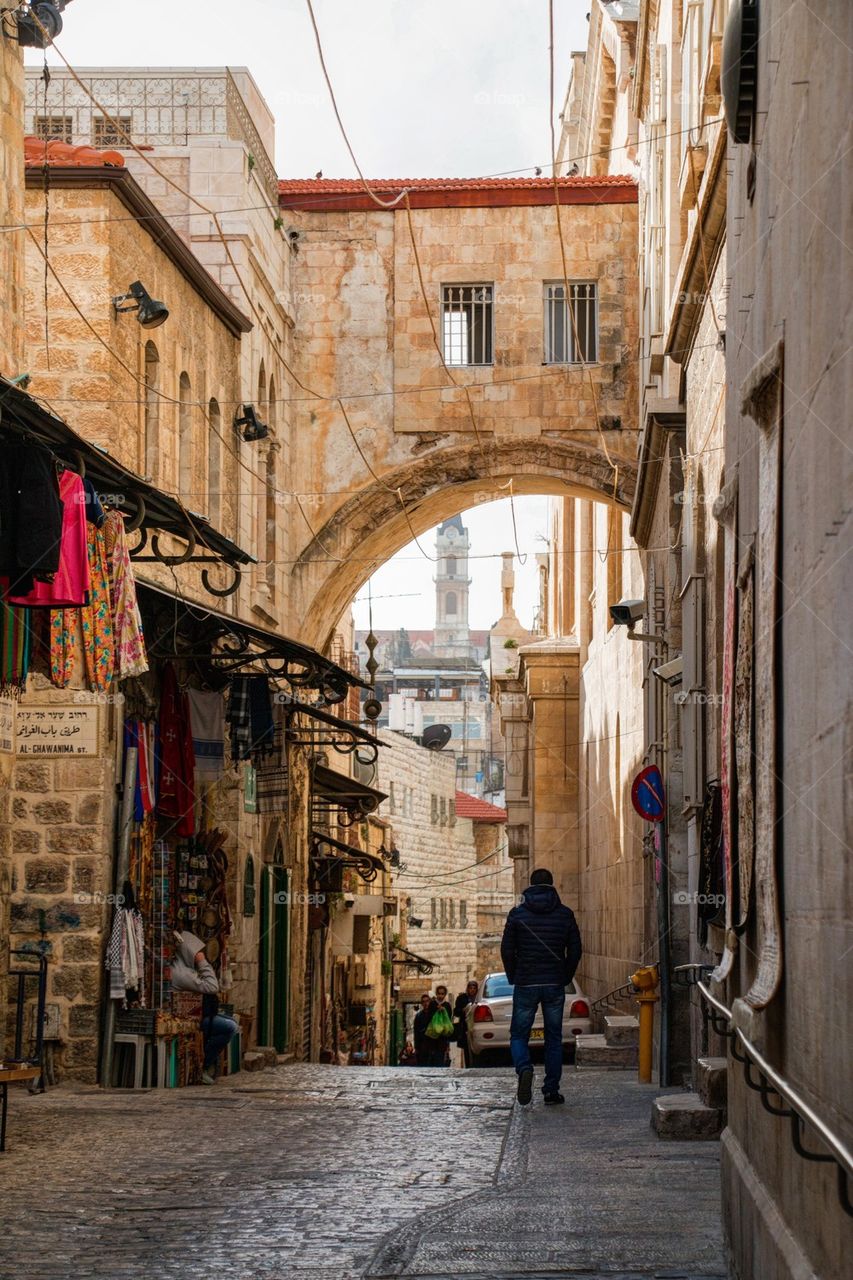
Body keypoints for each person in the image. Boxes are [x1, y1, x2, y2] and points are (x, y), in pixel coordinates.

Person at [500, 868, 582, 1106]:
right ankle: (551, 1090)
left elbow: (506, 949)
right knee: (554, 1038)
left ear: (531, 886)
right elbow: (575, 950)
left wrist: (514, 974)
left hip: (526, 981)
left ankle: (524, 1068)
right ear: (552, 885)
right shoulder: (565, 915)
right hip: (554, 983)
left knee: (518, 1034)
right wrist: (565, 975)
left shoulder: (517, 914)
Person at [171, 930, 238, 1085]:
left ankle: (209, 1065)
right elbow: (212, 986)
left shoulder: (184, 967)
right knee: (229, 1026)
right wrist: (201, 961)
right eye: (196, 952)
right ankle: (203, 1065)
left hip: (197, 1014)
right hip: (188, 1018)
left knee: (230, 1020)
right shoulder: (181, 973)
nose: (200, 954)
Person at [421, 985, 454, 1067]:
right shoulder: (432, 1004)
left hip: (442, 1036)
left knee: (440, 1054)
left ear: (445, 994)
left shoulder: (447, 1005)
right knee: (432, 1054)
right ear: (436, 994)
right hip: (433, 1035)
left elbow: (449, 1018)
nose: (440, 996)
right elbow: (429, 1017)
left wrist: (443, 1011)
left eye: (442, 994)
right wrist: (437, 1010)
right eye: (439, 994)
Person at [453, 980, 479, 1067]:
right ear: (467, 989)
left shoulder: (479, 998)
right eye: (470, 988)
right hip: (465, 1027)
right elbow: (456, 1012)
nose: (472, 990)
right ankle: (468, 1066)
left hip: (477, 1026)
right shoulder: (462, 998)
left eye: (474, 988)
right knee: (467, 1048)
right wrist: (463, 1010)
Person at [412, 993, 432, 1065]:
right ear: (422, 1004)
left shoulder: (434, 1014)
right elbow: (416, 1032)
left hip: (433, 1044)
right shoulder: (419, 1016)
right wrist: (416, 1047)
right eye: (424, 1002)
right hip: (422, 1045)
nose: (426, 1003)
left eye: (427, 1001)